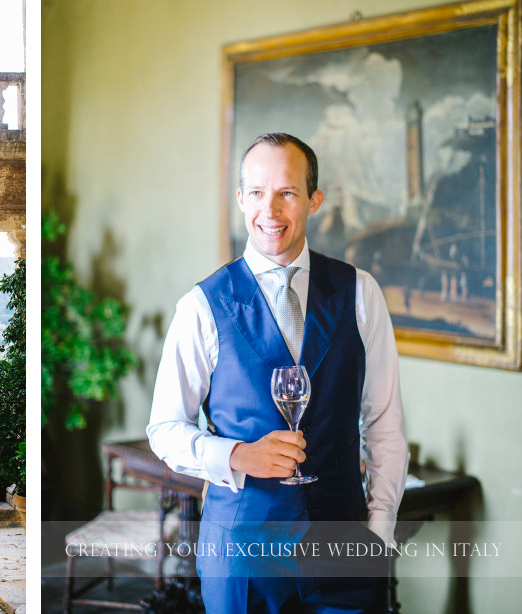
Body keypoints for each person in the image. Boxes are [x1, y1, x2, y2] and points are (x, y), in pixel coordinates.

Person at [147, 132, 408, 614]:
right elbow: (164, 430)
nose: (271, 210)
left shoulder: (360, 293)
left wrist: (378, 534)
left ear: (314, 200)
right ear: (242, 198)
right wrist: (239, 455)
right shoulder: (202, 306)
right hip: (242, 557)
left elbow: (384, 426)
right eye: (258, 192)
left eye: (287, 192)